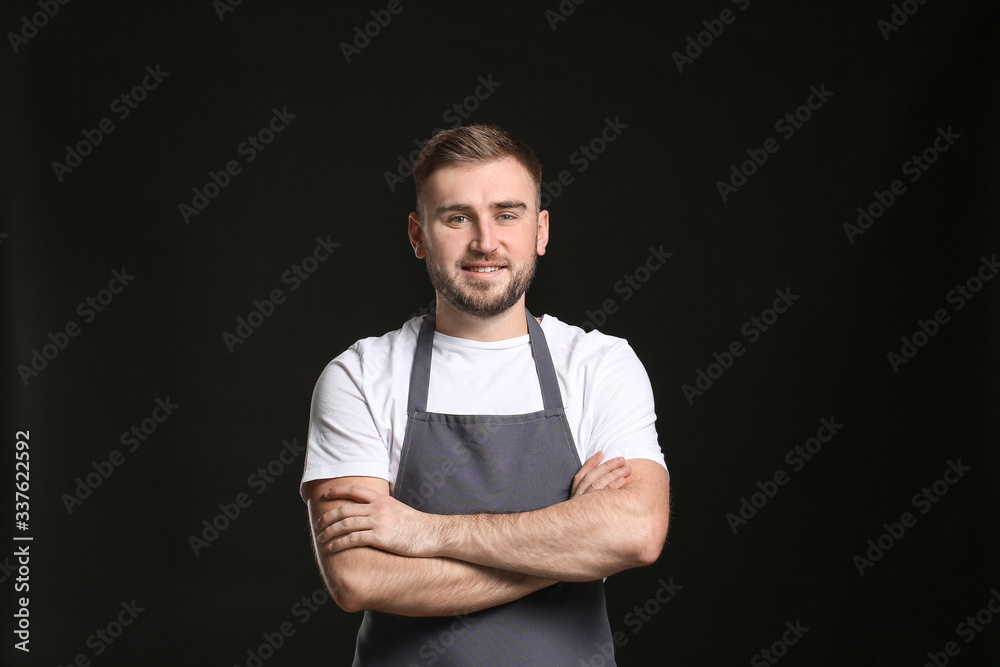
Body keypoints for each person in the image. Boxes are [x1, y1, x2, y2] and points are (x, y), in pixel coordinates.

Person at [300, 124, 670, 666]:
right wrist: (572, 545)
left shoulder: (599, 365)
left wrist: (421, 532)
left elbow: (636, 533)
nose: (485, 242)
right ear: (417, 234)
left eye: (507, 213)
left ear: (540, 230)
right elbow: (358, 578)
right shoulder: (359, 375)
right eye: (456, 217)